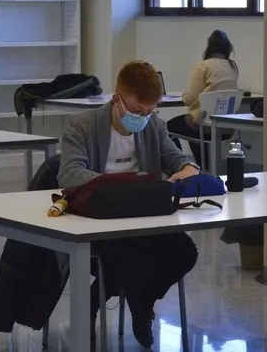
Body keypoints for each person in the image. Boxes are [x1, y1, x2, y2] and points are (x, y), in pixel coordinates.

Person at [58, 60, 200, 348]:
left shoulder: (153, 126)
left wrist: (187, 169)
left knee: (185, 253)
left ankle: (137, 300)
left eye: (150, 112)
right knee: (130, 254)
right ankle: (123, 303)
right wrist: (122, 185)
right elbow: (69, 173)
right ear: (117, 98)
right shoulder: (82, 126)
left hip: (144, 219)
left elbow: (179, 159)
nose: (143, 118)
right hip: (100, 220)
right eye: (136, 111)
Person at [167, 30, 240, 167]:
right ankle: (203, 166)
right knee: (198, 125)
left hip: (202, 125)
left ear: (209, 47)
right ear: (228, 48)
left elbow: (190, 99)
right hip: (226, 127)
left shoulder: (204, 66)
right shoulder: (232, 67)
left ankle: (179, 167)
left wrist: (183, 95)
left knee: (166, 130)